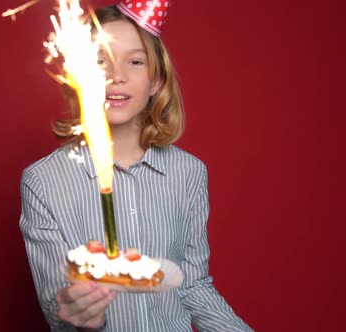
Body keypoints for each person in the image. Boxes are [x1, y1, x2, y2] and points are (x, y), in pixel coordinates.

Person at [20, 2, 253, 331]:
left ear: (156, 80)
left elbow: (194, 286)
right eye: (101, 61)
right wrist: (83, 314)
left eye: (135, 61)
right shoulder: (42, 182)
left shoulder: (189, 173)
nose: (117, 76)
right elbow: (56, 308)